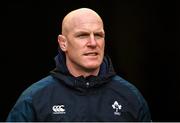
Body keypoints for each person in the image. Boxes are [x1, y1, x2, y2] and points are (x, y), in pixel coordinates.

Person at [6, 8, 151, 122]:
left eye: (99, 35)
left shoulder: (130, 96)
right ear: (63, 43)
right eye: (82, 35)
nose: (93, 43)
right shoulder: (34, 99)